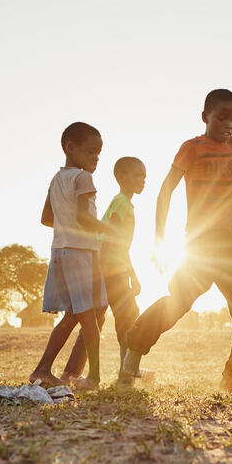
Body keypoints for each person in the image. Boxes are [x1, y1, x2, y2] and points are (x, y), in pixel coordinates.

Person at [118, 89, 232, 392]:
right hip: (200, 244)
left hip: (229, 242)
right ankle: (133, 352)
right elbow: (165, 191)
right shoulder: (192, 148)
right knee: (179, 302)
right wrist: (160, 239)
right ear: (205, 117)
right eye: (222, 117)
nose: (229, 124)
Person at [28, 122, 118, 390]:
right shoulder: (82, 178)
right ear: (70, 148)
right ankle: (94, 378)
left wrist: (67, 228)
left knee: (72, 316)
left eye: (99, 153)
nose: (96, 158)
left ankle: (42, 370)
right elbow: (84, 217)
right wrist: (110, 230)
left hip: (61, 252)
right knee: (90, 317)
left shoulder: (57, 179)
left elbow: (47, 218)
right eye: (91, 151)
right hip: (81, 254)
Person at [60, 156, 147, 382]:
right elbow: (112, 238)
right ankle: (125, 374)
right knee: (128, 318)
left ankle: (73, 373)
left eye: (145, 175)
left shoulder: (123, 202)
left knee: (96, 321)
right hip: (109, 270)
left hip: (109, 268)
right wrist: (107, 271)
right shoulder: (121, 203)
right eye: (138, 175)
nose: (143, 180)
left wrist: (133, 275)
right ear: (120, 177)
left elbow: (121, 246)